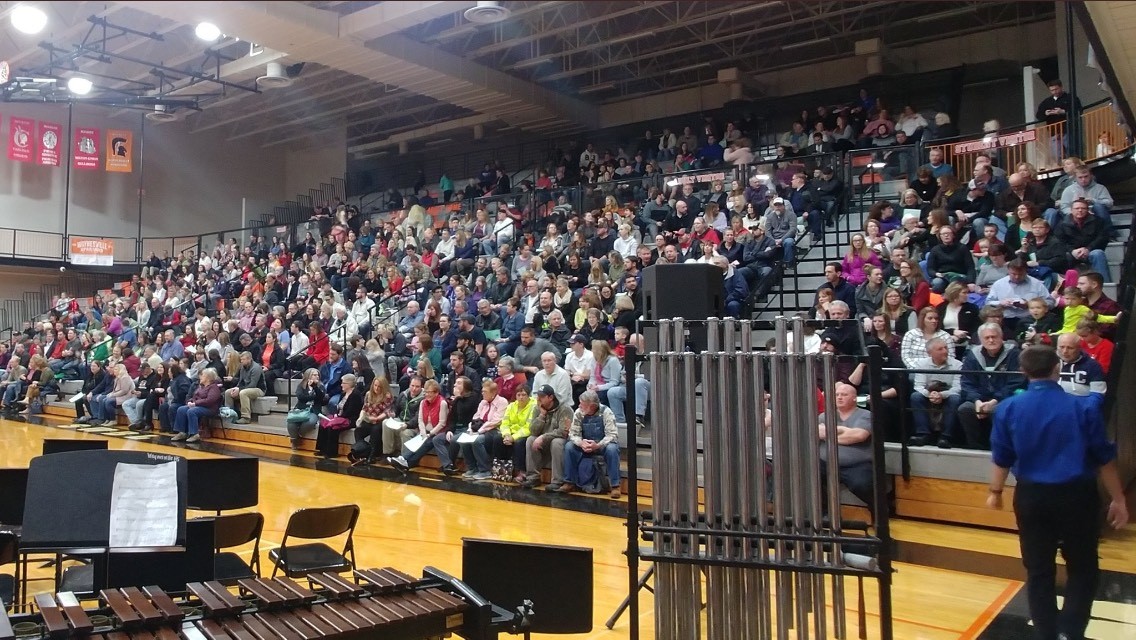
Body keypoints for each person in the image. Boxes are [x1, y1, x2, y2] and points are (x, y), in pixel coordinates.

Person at [987, 345, 1126, 640]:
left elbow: (1002, 456)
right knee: (1083, 567)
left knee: (1038, 570)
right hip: (1077, 496)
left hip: (1032, 497)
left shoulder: (1009, 408)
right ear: (1057, 368)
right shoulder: (1084, 406)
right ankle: (1072, 632)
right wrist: (1119, 499)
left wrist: (995, 492)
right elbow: (1104, 459)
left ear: (1023, 372)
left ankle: (1046, 634)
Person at [958, 323, 1025, 450]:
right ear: (981, 340)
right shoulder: (973, 355)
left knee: (998, 410)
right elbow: (967, 382)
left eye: (994, 337)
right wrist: (976, 401)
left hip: (1004, 399)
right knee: (965, 409)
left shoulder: (1014, 354)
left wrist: (994, 402)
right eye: (987, 338)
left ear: (1001, 337)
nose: (991, 340)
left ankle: (1001, 448)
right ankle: (975, 447)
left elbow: (1016, 382)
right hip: (980, 399)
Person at [817, 382, 875, 512]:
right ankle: (823, 514)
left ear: (854, 398)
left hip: (857, 465)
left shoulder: (865, 415)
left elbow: (858, 436)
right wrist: (843, 431)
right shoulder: (824, 416)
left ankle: (879, 512)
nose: (839, 397)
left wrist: (828, 434)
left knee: (862, 485)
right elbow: (816, 432)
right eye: (837, 394)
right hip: (826, 463)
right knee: (809, 476)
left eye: (844, 394)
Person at [559, 390, 622, 498]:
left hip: (601, 445)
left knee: (612, 449)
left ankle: (615, 486)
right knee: (569, 446)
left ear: (592, 406)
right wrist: (581, 443)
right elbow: (573, 434)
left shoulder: (607, 412)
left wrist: (598, 445)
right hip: (585, 445)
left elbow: (613, 435)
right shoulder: (578, 412)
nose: (579, 406)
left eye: (582, 404)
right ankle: (569, 482)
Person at [907, 338, 963, 449]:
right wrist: (930, 394)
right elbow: (918, 386)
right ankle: (923, 434)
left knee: (955, 398)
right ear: (930, 353)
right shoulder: (922, 364)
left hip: (948, 396)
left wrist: (942, 395)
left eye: (945, 348)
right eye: (940, 349)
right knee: (915, 396)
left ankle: (946, 437)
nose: (945, 351)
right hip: (929, 395)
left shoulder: (957, 365)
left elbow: (957, 388)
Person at [459, 379, 509, 481]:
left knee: (477, 440)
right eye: (482, 391)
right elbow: (475, 418)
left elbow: (496, 421)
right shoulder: (483, 402)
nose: (482, 393)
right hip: (480, 429)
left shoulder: (502, 402)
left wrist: (479, 432)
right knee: (464, 439)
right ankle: (472, 468)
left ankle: (485, 470)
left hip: (494, 430)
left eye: (485, 392)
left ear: (493, 393)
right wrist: (470, 430)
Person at [172, 368, 223, 444]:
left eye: (203, 375)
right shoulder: (201, 387)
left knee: (192, 411)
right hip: (199, 406)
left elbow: (210, 400)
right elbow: (194, 397)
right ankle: (182, 432)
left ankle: (194, 434)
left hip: (210, 409)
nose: (200, 377)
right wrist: (190, 402)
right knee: (181, 409)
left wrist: (195, 403)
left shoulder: (214, 387)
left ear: (208, 378)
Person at [225, 351, 265, 424]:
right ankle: (230, 414)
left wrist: (239, 390)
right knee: (228, 392)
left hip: (259, 389)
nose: (241, 361)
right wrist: (236, 388)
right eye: (241, 359)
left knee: (243, 393)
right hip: (246, 387)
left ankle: (246, 417)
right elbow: (241, 381)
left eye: (243, 359)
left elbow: (253, 385)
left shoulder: (256, 368)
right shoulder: (242, 367)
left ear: (249, 359)